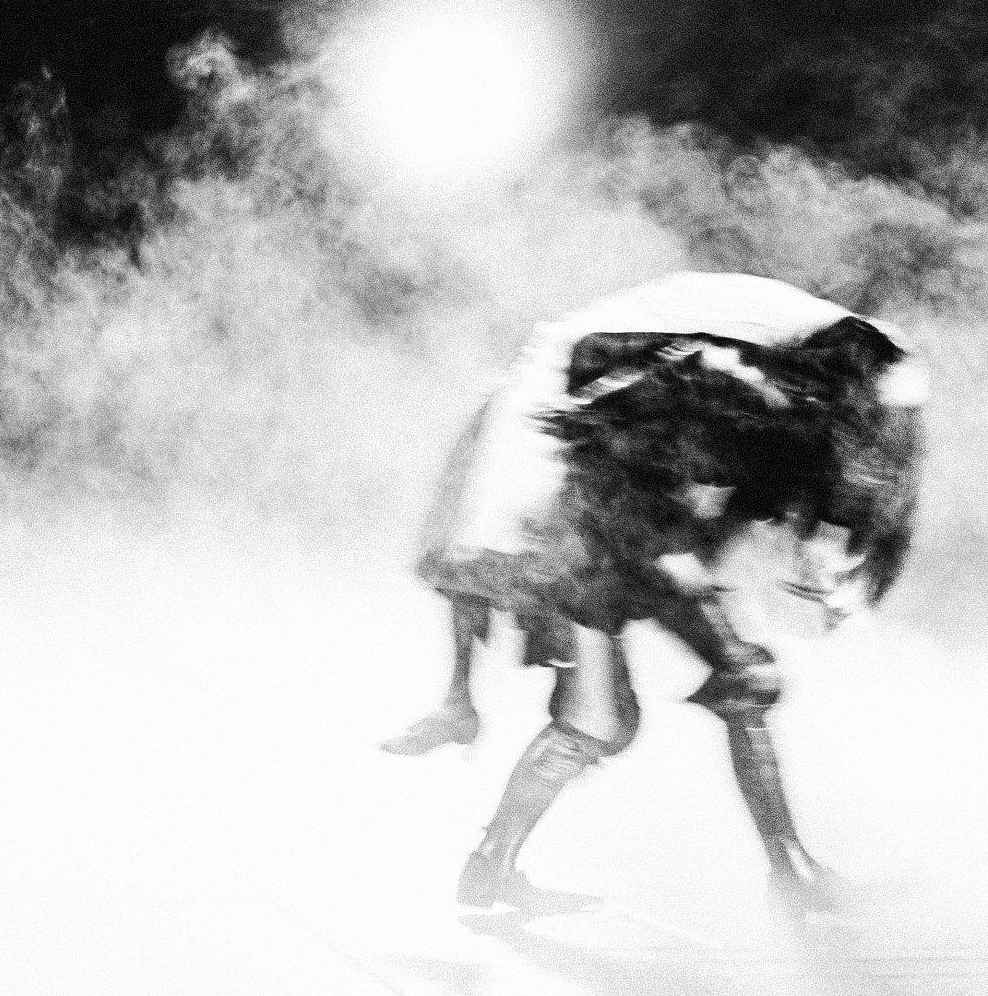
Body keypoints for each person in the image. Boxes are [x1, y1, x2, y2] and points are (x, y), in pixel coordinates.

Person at [382, 272, 925, 915]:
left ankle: (789, 870)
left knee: (719, 684)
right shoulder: (718, 376)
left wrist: (798, 572)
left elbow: (718, 504)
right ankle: (492, 867)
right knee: (603, 720)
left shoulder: (765, 390)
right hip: (598, 541)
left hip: (631, 536)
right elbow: (630, 481)